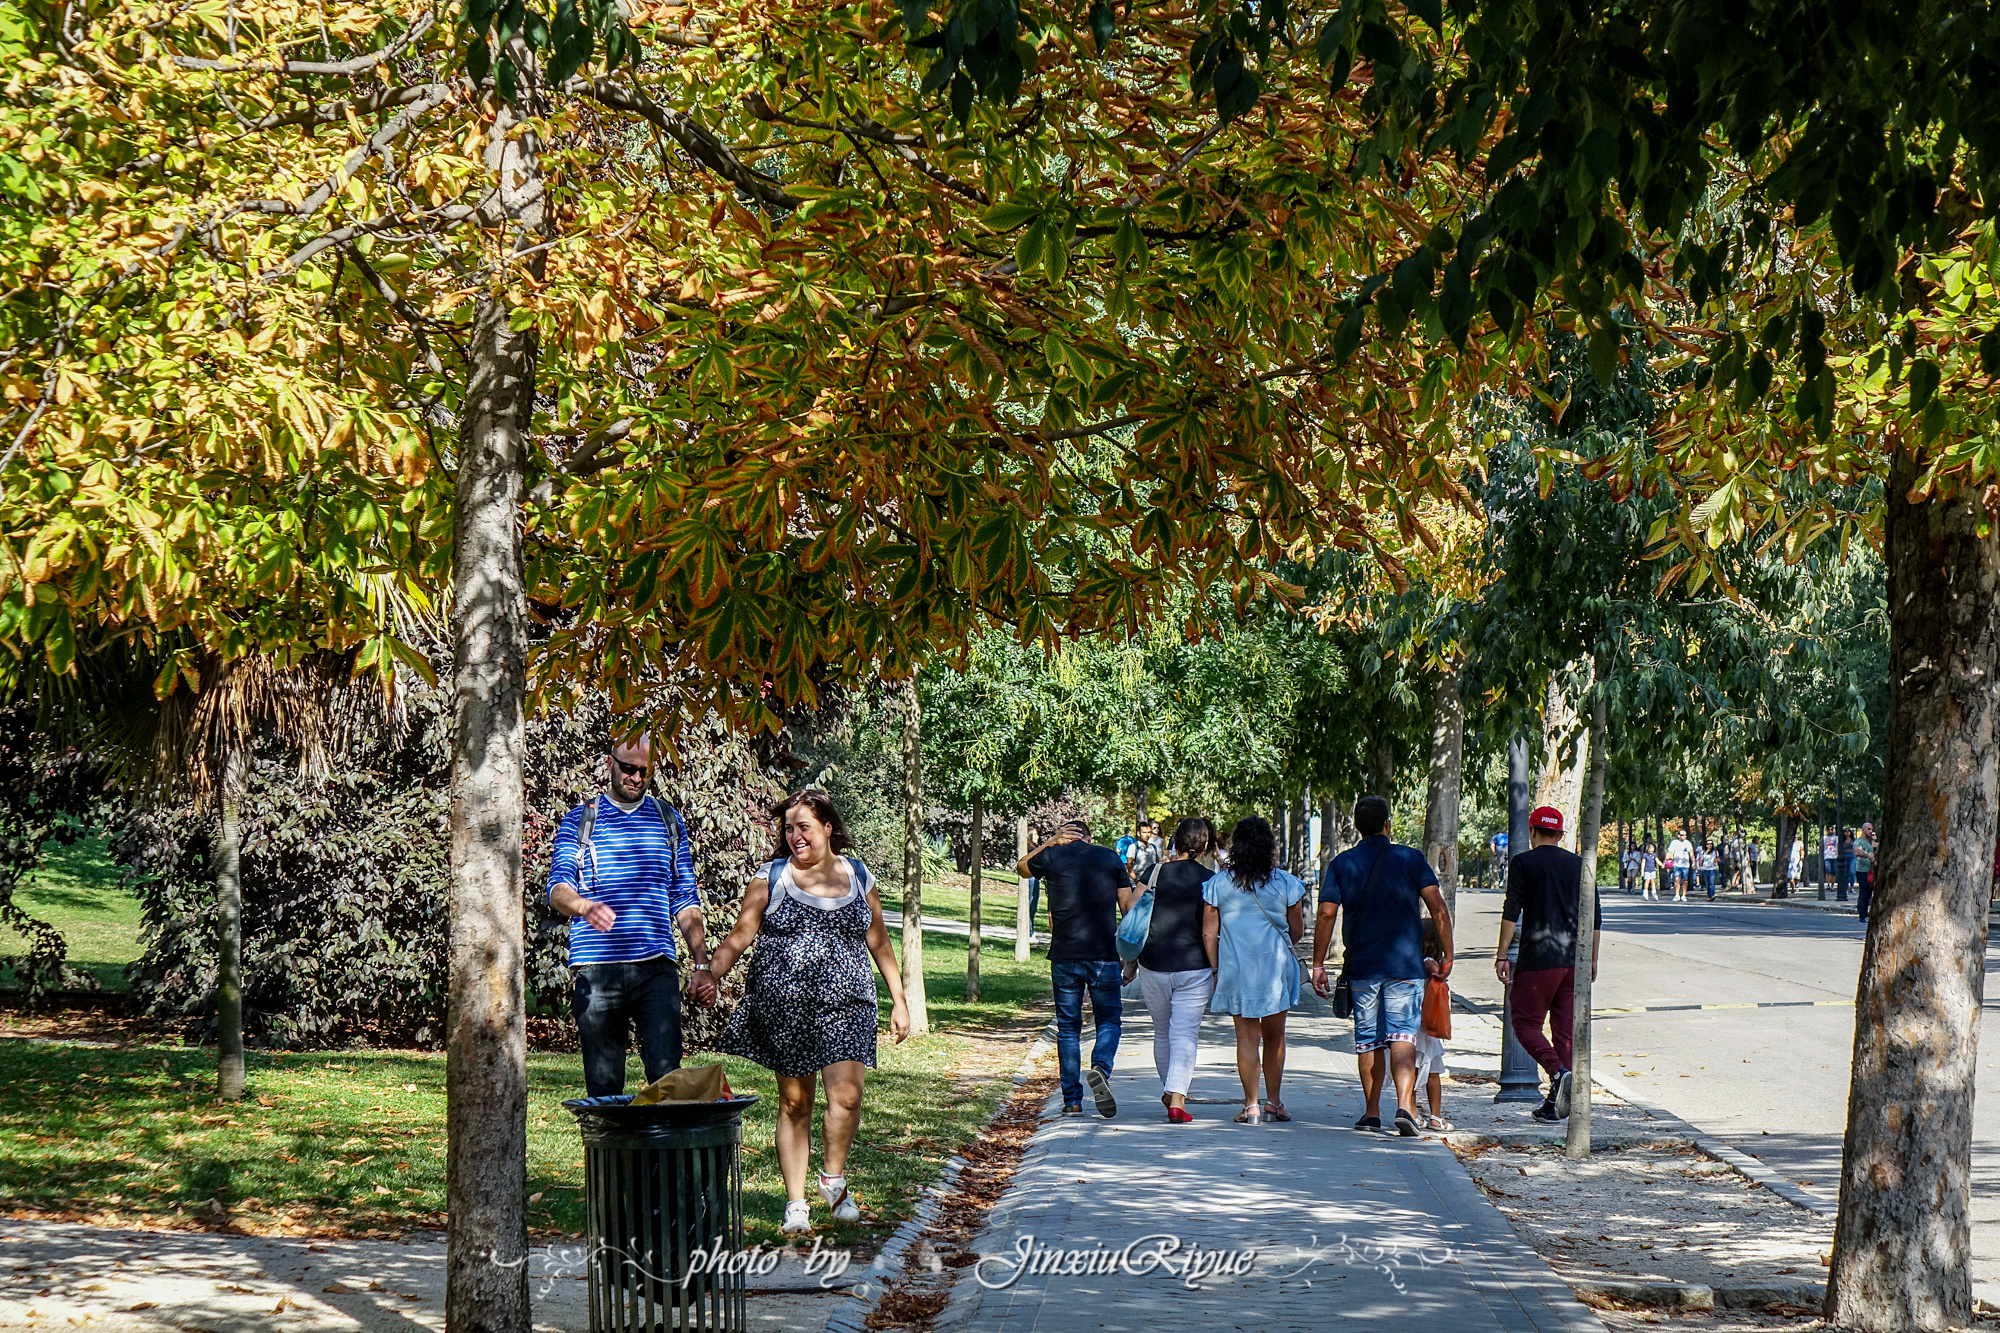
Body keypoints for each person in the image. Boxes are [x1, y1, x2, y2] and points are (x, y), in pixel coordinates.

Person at [707, 790, 911, 1235]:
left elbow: (878, 940)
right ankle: (795, 1202)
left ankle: (833, 1179)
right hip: (786, 1005)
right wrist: (712, 972)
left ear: (827, 828)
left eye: (804, 827)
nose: (794, 836)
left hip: (848, 1003)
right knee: (796, 1103)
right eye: (788, 828)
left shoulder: (857, 874)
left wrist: (899, 999)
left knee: (847, 1097)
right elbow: (742, 934)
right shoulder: (772, 876)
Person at [548, 735, 714, 1098]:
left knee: (667, 1081)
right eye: (628, 768)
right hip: (598, 968)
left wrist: (702, 963)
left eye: (645, 771)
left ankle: (664, 1156)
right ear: (611, 765)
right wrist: (585, 907)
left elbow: (685, 899)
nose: (636, 778)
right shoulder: (581, 820)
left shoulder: (669, 820)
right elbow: (557, 889)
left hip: (657, 968)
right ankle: (610, 1156)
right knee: (604, 1087)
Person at [1311, 796, 1454, 1137]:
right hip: (1405, 965)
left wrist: (1318, 963)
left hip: (1362, 965)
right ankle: (1405, 1106)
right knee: (1402, 1036)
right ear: (1387, 824)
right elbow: (1437, 908)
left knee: (1368, 1041)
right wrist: (1447, 953)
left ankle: (1371, 1112)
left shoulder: (1342, 864)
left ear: (1358, 826)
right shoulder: (1410, 858)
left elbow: (1327, 913)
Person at [1019, 819, 1130, 1118]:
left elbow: (1021, 867)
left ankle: (1072, 1101)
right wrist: (1129, 956)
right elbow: (1127, 908)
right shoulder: (1110, 857)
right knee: (1109, 1020)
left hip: (1064, 956)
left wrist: (1050, 842)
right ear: (1089, 838)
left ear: (1065, 837)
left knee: (1068, 1028)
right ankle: (1100, 1068)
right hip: (1104, 955)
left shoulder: (1052, 856)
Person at [1496, 806, 1600, 1122]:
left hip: (1538, 959)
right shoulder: (1579, 864)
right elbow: (1595, 916)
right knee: (1564, 1033)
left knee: (1525, 1022)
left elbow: (1511, 911)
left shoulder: (1523, 862)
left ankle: (1556, 1073)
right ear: (1561, 834)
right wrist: (1593, 959)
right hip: (1573, 961)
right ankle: (1555, 1105)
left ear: (1532, 832)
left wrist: (1502, 954)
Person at [1202, 816, 1308, 1125]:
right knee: (1275, 1038)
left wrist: (1215, 968)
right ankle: (1274, 1102)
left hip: (1237, 969)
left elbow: (1209, 932)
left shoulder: (1219, 883)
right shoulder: (1287, 883)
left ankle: (1251, 1105)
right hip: (1276, 969)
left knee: (1246, 1039)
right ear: (1269, 847)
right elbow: (1296, 930)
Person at [1126, 818, 1217, 1123]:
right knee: (1185, 1032)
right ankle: (1176, 1096)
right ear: (1205, 845)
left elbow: (1131, 908)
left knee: (1162, 1031)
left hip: (1153, 963)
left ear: (1175, 842)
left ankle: (1170, 1092)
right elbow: (1214, 927)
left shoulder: (1155, 872)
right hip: (1195, 966)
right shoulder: (1210, 879)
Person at [1416, 917, 1452, 1132]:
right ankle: (1435, 1116)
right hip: (1429, 1024)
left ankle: (1410, 1108)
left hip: (1418, 1023)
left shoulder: (1417, 963)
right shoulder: (1431, 963)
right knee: (1433, 1071)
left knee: (1414, 1066)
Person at [1855, 822, 1877, 921]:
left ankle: (1866, 913)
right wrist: (1867, 856)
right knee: (1864, 892)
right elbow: (1857, 851)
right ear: (1863, 829)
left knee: (1868, 893)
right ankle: (1862, 915)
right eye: (1868, 829)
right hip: (1861, 870)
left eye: (1871, 829)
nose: (1870, 831)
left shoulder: (1868, 843)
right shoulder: (1859, 841)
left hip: (1869, 871)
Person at [1666, 827, 1694, 902]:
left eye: (1685, 835)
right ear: (1678, 836)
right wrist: (1665, 861)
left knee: (1685, 880)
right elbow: (1669, 852)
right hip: (1677, 864)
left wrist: (1693, 862)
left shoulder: (1688, 843)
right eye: (1682, 835)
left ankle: (1684, 895)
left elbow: (1691, 853)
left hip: (1685, 864)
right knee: (1676, 879)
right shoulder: (1674, 842)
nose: (1684, 836)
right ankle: (1677, 894)